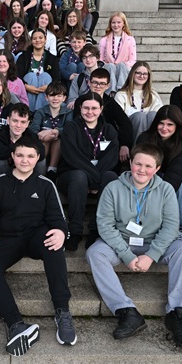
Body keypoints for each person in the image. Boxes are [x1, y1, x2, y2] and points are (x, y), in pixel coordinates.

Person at [86, 142, 182, 349]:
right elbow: (105, 225)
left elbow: (172, 226)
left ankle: (178, 314)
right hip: (122, 242)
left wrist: (151, 255)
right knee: (95, 253)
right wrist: (127, 255)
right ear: (130, 163)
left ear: (157, 169)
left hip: (155, 243)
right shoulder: (113, 188)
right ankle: (126, 311)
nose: (142, 170)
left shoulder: (165, 190)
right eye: (138, 164)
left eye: (148, 166)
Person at [0, 135, 76, 356]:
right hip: (6, 239)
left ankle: (63, 311)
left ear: (38, 158)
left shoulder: (45, 184)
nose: (24, 160)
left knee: (54, 244)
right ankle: (16, 325)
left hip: (34, 236)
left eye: (30, 156)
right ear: (12, 156)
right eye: (20, 155)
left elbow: (59, 220)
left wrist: (61, 232)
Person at [56, 91, 119, 251]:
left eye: (94, 108)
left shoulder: (109, 129)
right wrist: (94, 177)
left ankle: (97, 228)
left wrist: (95, 179)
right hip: (71, 177)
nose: (90, 112)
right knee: (79, 176)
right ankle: (75, 229)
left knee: (111, 177)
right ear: (80, 108)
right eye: (86, 108)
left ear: (101, 109)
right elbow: (72, 157)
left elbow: (111, 159)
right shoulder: (71, 127)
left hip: (98, 177)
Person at [135, 105, 182, 234]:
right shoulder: (145, 138)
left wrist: (162, 193)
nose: (164, 128)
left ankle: (179, 228)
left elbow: (177, 173)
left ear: (177, 125)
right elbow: (140, 165)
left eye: (170, 124)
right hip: (147, 176)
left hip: (171, 178)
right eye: (161, 123)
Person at [69, 66, 133, 163]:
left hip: (106, 142)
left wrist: (124, 145)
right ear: (89, 83)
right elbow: (77, 122)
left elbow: (125, 123)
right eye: (95, 82)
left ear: (107, 86)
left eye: (102, 83)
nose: (98, 86)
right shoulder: (81, 101)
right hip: (85, 141)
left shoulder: (110, 103)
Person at [0, 103, 45, 179]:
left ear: (27, 124)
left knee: (41, 163)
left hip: (26, 168)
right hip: (7, 172)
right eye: (15, 121)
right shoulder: (1, 134)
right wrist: (23, 151)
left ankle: (36, 187)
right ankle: (2, 188)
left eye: (23, 122)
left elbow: (41, 153)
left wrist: (17, 153)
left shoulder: (31, 135)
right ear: (8, 120)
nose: (18, 125)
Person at [114, 61, 163, 142]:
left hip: (150, 131)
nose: (141, 76)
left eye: (145, 74)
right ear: (132, 74)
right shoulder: (121, 95)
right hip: (130, 132)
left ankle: (152, 149)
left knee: (153, 115)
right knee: (140, 116)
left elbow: (161, 116)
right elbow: (118, 119)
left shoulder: (153, 95)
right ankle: (138, 150)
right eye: (138, 73)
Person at [29, 82, 72, 175]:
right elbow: (33, 127)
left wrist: (54, 131)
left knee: (58, 139)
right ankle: (40, 168)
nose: (55, 98)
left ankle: (52, 169)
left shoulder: (68, 113)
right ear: (46, 97)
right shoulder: (41, 111)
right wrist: (40, 135)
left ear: (64, 98)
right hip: (43, 142)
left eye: (59, 96)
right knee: (45, 139)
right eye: (52, 95)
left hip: (61, 146)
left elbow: (69, 128)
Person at [16, 28, 60, 111]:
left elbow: (56, 78)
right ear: (31, 41)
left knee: (45, 76)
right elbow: (18, 76)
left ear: (45, 39)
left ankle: (40, 113)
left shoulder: (52, 58)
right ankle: (30, 112)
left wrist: (48, 87)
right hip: (27, 89)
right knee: (31, 76)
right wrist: (26, 86)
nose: (37, 40)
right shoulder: (23, 57)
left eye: (40, 38)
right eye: (34, 38)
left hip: (46, 88)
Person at [98, 12, 136, 93]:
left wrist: (118, 65)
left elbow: (132, 60)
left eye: (119, 22)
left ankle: (122, 90)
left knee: (121, 65)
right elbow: (101, 59)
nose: (116, 25)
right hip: (109, 68)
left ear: (123, 24)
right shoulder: (104, 40)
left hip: (123, 69)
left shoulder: (130, 39)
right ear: (110, 24)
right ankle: (111, 92)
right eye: (113, 22)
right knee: (111, 66)